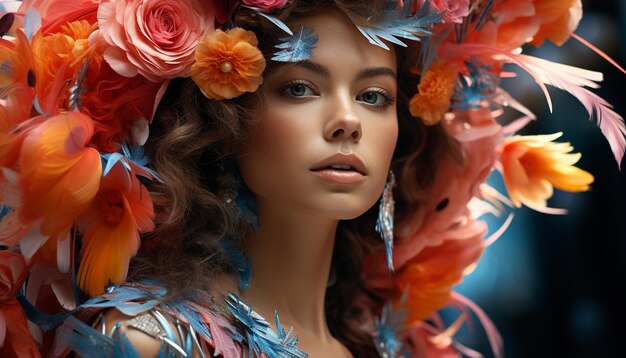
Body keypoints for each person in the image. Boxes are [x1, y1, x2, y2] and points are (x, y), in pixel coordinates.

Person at [0, 0, 622, 357]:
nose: (348, 121)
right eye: (301, 88)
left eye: (376, 97)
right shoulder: (153, 343)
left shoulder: (391, 347)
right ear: (225, 113)